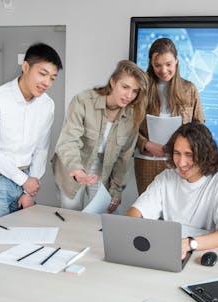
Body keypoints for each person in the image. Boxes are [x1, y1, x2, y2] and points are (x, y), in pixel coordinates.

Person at [0, 42, 62, 224]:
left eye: (52, 78)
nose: (46, 83)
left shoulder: (47, 105)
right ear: (25, 67)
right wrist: (25, 181)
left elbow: (41, 149)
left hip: (27, 178)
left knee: (22, 238)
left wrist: (28, 189)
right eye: (42, 74)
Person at [127, 122, 218, 258]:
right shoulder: (166, 177)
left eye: (189, 154)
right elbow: (134, 213)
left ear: (205, 154)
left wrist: (188, 244)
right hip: (170, 250)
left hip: (202, 252)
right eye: (177, 153)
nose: (181, 163)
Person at [52, 60, 148, 212]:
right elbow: (68, 141)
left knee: (98, 215)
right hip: (73, 164)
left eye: (135, 91)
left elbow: (124, 158)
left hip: (103, 168)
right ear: (113, 82)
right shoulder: (83, 101)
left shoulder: (132, 116)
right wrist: (77, 170)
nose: (129, 95)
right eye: (125, 87)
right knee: (71, 214)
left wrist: (116, 190)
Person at [134, 37, 205, 195]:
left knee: (176, 212)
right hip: (147, 161)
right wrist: (146, 144)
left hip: (180, 162)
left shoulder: (190, 89)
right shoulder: (141, 89)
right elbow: (128, 126)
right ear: (151, 64)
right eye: (157, 65)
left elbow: (199, 126)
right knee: (148, 213)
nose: (163, 70)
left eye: (168, 64)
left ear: (176, 61)